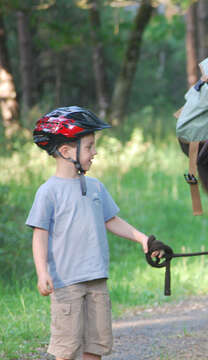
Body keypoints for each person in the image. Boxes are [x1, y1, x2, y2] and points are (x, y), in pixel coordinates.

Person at [26, 106, 162, 360]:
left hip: (97, 279)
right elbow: (40, 234)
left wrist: (143, 238)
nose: (95, 152)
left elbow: (111, 220)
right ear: (66, 152)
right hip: (67, 283)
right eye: (89, 146)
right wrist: (42, 272)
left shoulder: (95, 187)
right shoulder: (48, 192)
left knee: (96, 346)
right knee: (66, 348)